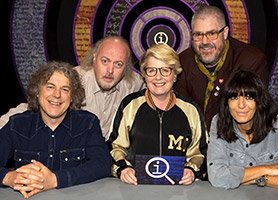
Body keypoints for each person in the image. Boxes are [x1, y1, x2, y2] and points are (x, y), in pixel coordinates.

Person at [0, 61, 112, 198]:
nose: (57, 95)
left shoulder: (87, 124)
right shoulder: (17, 125)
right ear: (37, 91)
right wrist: (8, 177)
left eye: (65, 89)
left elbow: (103, 164)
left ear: (72, 97)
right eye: (50, 87)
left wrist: (55, 179)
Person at [0, 36, 145, 140]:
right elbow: (31, 108)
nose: (110, 70)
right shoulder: (72, 79)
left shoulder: (134, 84)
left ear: (126, 67)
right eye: (105, 61)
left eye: (118, 64)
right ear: (95, 58)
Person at [108, 44, 208, 185]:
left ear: (174, 75)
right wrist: (123, 169)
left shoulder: (190, 110)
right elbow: (115, 147)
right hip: (135, 188)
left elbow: (200, 153)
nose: (158, 77)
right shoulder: (130, 106)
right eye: (152, 70)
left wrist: (191, 170)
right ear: (144, 75)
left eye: (165, 70)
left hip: (178, 190)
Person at [174, 5, 269, 131]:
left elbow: (251, 116)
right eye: (198, 35)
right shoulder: (182, 63)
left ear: (225, 33)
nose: (204, 42)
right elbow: (182, 115)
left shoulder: (251, 61)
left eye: (212, 33)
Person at [207, 70, 278, 192]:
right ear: (227, 103)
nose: (241, 105)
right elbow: (216, 177)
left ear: (259, 102)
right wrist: (267, 169)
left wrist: (260, 179)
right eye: (234, 97)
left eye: (248, 97)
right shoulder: (219, 123)